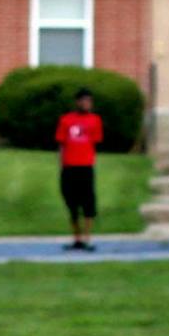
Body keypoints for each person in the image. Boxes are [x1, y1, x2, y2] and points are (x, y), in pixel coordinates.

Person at [56, 88, 102, 252]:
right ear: (77, 102)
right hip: (69, 167)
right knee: (72, 204)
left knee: (88, 203)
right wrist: (61, 165)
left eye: (89, 101)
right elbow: (61, 144)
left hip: (85, 167)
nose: (86, 104)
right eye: (83, 100)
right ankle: (77, 238)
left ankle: (88, 238)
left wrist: (91, 162)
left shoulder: (95, 120)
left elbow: (94, 143)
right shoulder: (66, 120)